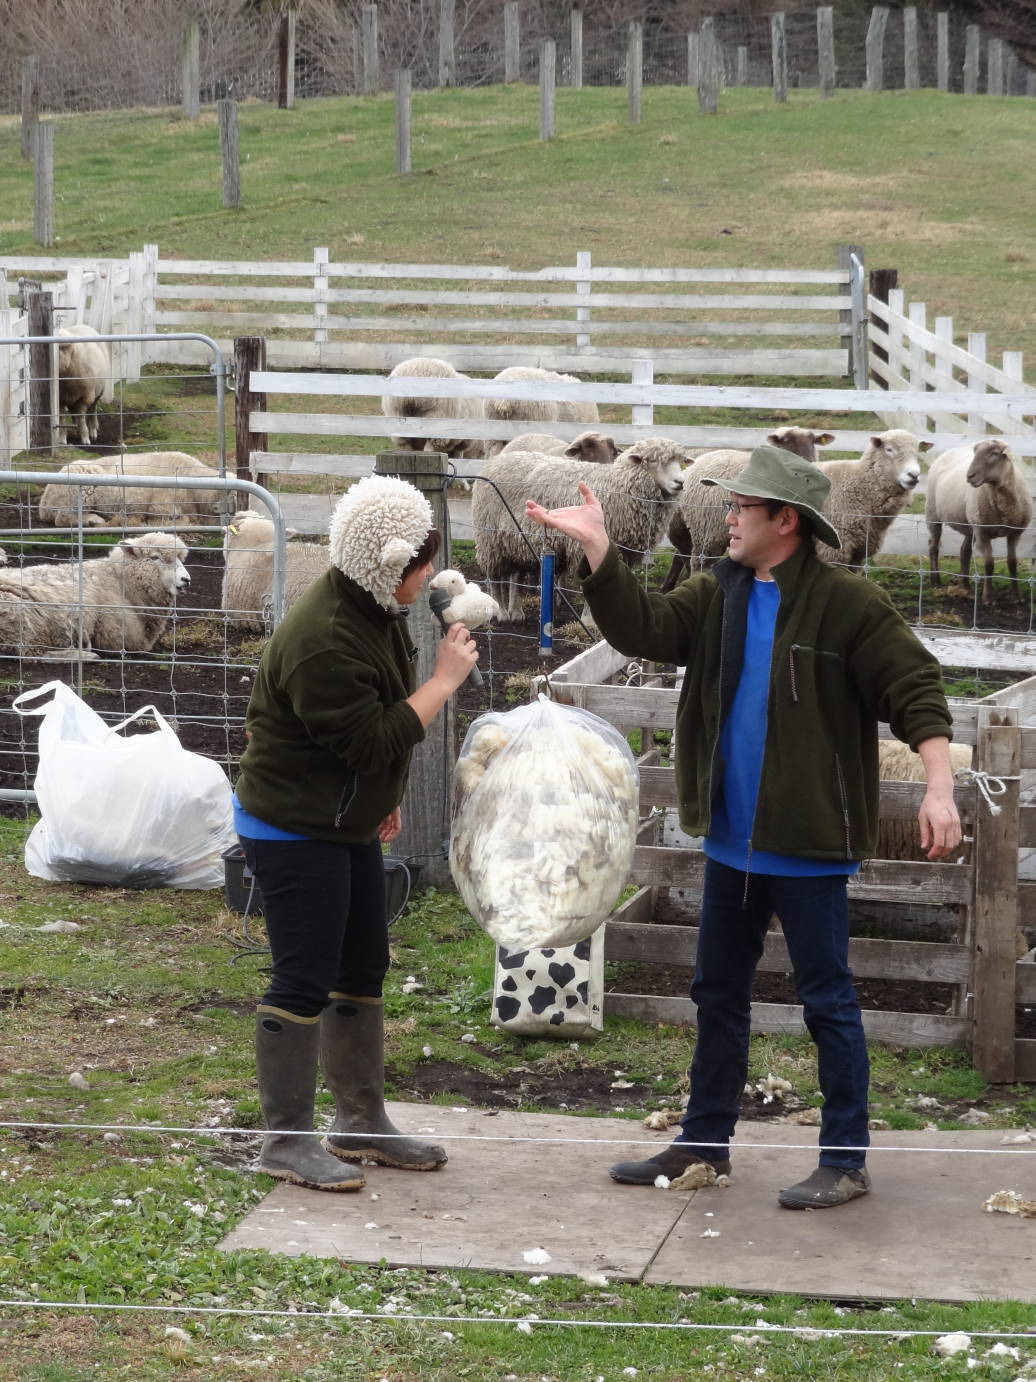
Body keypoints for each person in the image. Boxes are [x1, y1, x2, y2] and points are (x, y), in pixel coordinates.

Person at [526, 443, 961, 1210]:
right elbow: (645, 629)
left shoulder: (848, 603)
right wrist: (596, 549)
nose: (725, 516)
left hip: (810, 845)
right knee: (716, 990)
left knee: (827, 998)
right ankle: (703, 1143)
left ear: (784, 521)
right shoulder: (717, 591)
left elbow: (915, 686)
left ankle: (844, 1158)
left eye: (740, 507)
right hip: (730, 840)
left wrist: (938, 787)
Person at [234, 475, 479, 1192]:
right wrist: (443, 680)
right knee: (304, 975)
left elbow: (371, 739)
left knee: (362, 964)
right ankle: (284, 1141)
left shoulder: (371, 605)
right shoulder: (325, 640)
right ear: (385, 561)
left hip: (343, 816)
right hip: (292, 826)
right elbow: (371, 737)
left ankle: (360, 1124)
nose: (430, 574)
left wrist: (383, 796)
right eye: (421, 562)